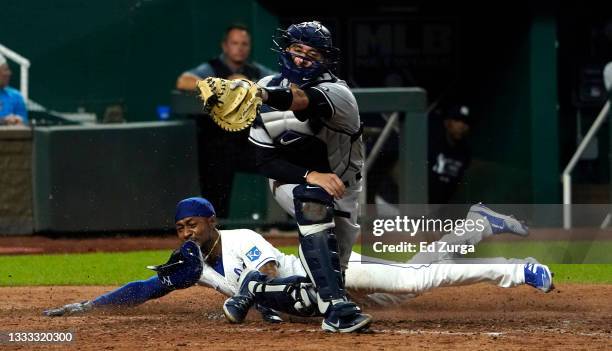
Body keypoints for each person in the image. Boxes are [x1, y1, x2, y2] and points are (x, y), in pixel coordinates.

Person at [43, 197, 554, 325]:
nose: (186, 233)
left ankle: (519, 270)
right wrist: (91, 305)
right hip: (318, 305)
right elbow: (147, 287)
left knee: (415, 280)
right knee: (415, 278)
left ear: (211, 221)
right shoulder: (191, 262)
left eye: (193, 225)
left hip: (324, 275)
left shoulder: (239, 238)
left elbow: (266, 274)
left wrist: (246, 300)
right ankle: (477, 222)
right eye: (179, 228)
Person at [244, 20, 369, 332]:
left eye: (312, 54)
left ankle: (257, 289)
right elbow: (264, 161)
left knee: (315, 295)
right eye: (297, 50)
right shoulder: (267, 88)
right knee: (312, 198)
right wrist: (309, 175)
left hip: (344, 189)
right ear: (285, 49)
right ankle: (339, 311)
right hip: (292, 181)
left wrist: (258, 94)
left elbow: (301, 101)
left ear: (325, 59)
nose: (302, 59)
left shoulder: (339, 93)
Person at [176, 24, 275, 218]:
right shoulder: (212, 68)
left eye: (244, 44)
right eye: (235, 43)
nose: (240, 48)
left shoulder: (253, 71)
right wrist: (224, 86)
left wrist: (248, 85)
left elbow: (280, 83)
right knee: (216, 187)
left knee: (275, 159)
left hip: (246, 141)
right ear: (225, 46)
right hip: (216, 143)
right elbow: (183, 81)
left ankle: (275, 222)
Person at [428, 104, 472, 204]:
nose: (461, 125)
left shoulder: (466, 153)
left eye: (465, 122)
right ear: (447, 123)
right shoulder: (433, 143)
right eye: (457, 120)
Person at [0, 53, 28, 126]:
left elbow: (24, 125)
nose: (9, 73)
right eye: (5, 70)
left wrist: (17, 121)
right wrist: (3, 121)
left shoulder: (16, 96)